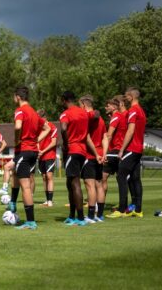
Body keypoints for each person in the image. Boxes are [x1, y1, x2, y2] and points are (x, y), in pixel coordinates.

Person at [10, 86, 48, 230]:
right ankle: (13, 202)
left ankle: (30, 221)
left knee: (25, 186)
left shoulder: (20, 110)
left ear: (18, 97)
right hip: (32, 152)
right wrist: (36, 140)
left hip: (24, 150)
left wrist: (17, 140)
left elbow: (18, 126)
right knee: (16, 174)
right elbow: (47, 128)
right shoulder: (33, 112)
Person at [59, 91, 98, 227]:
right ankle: (72, 215)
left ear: (64, 100)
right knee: (70, 183)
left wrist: (65, 144)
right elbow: (96, 114)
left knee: (75, 183)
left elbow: (63, 128)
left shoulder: (66, 113)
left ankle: (80, 218)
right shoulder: (83, 113)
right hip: (82, 151)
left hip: (72, 149)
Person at [108, 88, 146, 218]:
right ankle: (137, 209)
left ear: (131, 96)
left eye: (126, 96)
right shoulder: (141, 110)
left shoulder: (133, 111)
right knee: (135, 178)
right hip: (139, 149)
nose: (125, 98)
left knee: (121, 176)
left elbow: (130, 131)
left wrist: (122, 150)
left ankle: (121, 209)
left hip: (131, 148)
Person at [79, 95, 108, 223]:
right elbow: (105, 137)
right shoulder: (101, 119)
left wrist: (96, 154)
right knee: (99, 185)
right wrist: (104, 153)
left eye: (80, 105)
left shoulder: (86, 118)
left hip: (90, 155)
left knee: (90, 186)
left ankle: (90, 216)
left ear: (84, 105)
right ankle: (99, 215)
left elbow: (87, 137)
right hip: (100, 154)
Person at [37, 110, 57, 207]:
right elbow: (36, 141)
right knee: (44, 178)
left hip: (50, 155)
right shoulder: (38, 128)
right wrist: (38, 151)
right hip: (41, 156)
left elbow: (53, 143)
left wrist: (43, 151)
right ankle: (46, 199)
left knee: (49, 176)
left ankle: (50, 200)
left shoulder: (52, 127)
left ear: (44, 117)